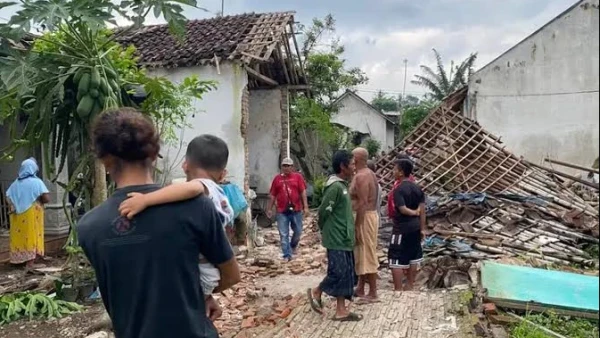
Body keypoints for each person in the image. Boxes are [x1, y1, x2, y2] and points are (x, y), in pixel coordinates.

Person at [77, 108, 240, 338]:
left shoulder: (88, 227)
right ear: (154, 154)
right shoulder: (196, 207)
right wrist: (198, 296)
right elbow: (231, 275)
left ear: (104, 160)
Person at [118, 134, 235, 299]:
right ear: (223, 174)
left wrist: (145, 200)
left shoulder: (203, 186)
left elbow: (192, 188)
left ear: (185, 166)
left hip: (201, 271)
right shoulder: (221, 195)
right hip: (209, 270)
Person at [308, 150, 361, 322]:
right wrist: (325, 229)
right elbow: (323, 211)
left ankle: (341, 311)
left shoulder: (343, 185)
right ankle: (317, 290)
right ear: (342, 166)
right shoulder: (335, 187)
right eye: (352, 164)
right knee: (338, 272)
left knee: (346, 273)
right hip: (336, 238)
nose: (354, 167)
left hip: (344, 238)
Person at [388, 159, 426, 292]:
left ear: (401, 172)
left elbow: (402, 208)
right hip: (416, 228)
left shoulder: (398, 189)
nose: (393, 172)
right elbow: (423, 211)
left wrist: (413, 212)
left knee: (396, 258)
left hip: (401, 228)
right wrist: (422, 228)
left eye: (395, 169)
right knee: (413, 256)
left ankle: (398, 289)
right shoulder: (417, 188)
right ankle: (409, 285)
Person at [5, 158, 50, 268]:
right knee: (31, 235)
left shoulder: (15, 183)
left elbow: (8, 196)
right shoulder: (37, 182)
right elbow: (46, 198)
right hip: (31, 213)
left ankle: (18, 260)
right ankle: (30, 263)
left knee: (20, 236)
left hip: (17, 215)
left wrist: (14, 205)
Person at [350, 148, 380, 300]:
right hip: (369, 215)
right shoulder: (369, 173)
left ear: (356, 158)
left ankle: (373, 291)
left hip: (365, 217)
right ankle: (361, 287)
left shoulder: (362, 176)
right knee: (361, 253)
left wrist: (357, 225)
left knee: (367, 252)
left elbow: (362, 202)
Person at [266, 157, 309, 261]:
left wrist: (306, 207)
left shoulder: (298, 177)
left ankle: (293, 245)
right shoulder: (277, 179)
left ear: (292, 167)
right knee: (283, 233)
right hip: (282, 211)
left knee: (298, 231)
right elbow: (272, 195)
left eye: (288, 165)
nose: (286, 168)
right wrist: (269, 208)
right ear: (281, 167)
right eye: (284, 165)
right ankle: (287, 255)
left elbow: (303, 192)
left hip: (296, 209)